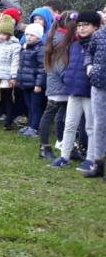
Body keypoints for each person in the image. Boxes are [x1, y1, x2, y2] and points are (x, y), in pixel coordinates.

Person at [51, 12, 99, 170]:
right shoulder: (74, 45)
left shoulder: (97, 45)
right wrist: (67, 79)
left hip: (90, 92)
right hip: (73, 91)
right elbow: (69, 65)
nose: (82, 28)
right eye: (79, 25)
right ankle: (65, 155)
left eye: (86, 25)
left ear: (96, 27)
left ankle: (91, 159)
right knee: (69, 124)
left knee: (91, 127)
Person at [38, 15, 72, 159]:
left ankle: (64, 144)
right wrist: (71, 79)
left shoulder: (56, 36)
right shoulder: (61, 39)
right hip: (60, 86)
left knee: (62, 117)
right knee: (51, 114)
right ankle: (44, 147)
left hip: (59, 85)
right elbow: (60, 66)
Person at [84, 14, 106, 177]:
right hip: (99, 83)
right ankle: (98, 163)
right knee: (99, 124)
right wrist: (89, 66)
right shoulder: (98, 35)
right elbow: (89, 53)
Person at [16, 23, 46, 137]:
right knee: (29, 105)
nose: (28, 37)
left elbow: (42, 68)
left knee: (35, 106)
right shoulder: (24, 48)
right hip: (26, 83)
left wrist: (39, 84)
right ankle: (29, 124)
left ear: (38, 36)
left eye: (32, 35)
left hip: (35, 84)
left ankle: (35, 127)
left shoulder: (41, 49)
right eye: (27, 34)